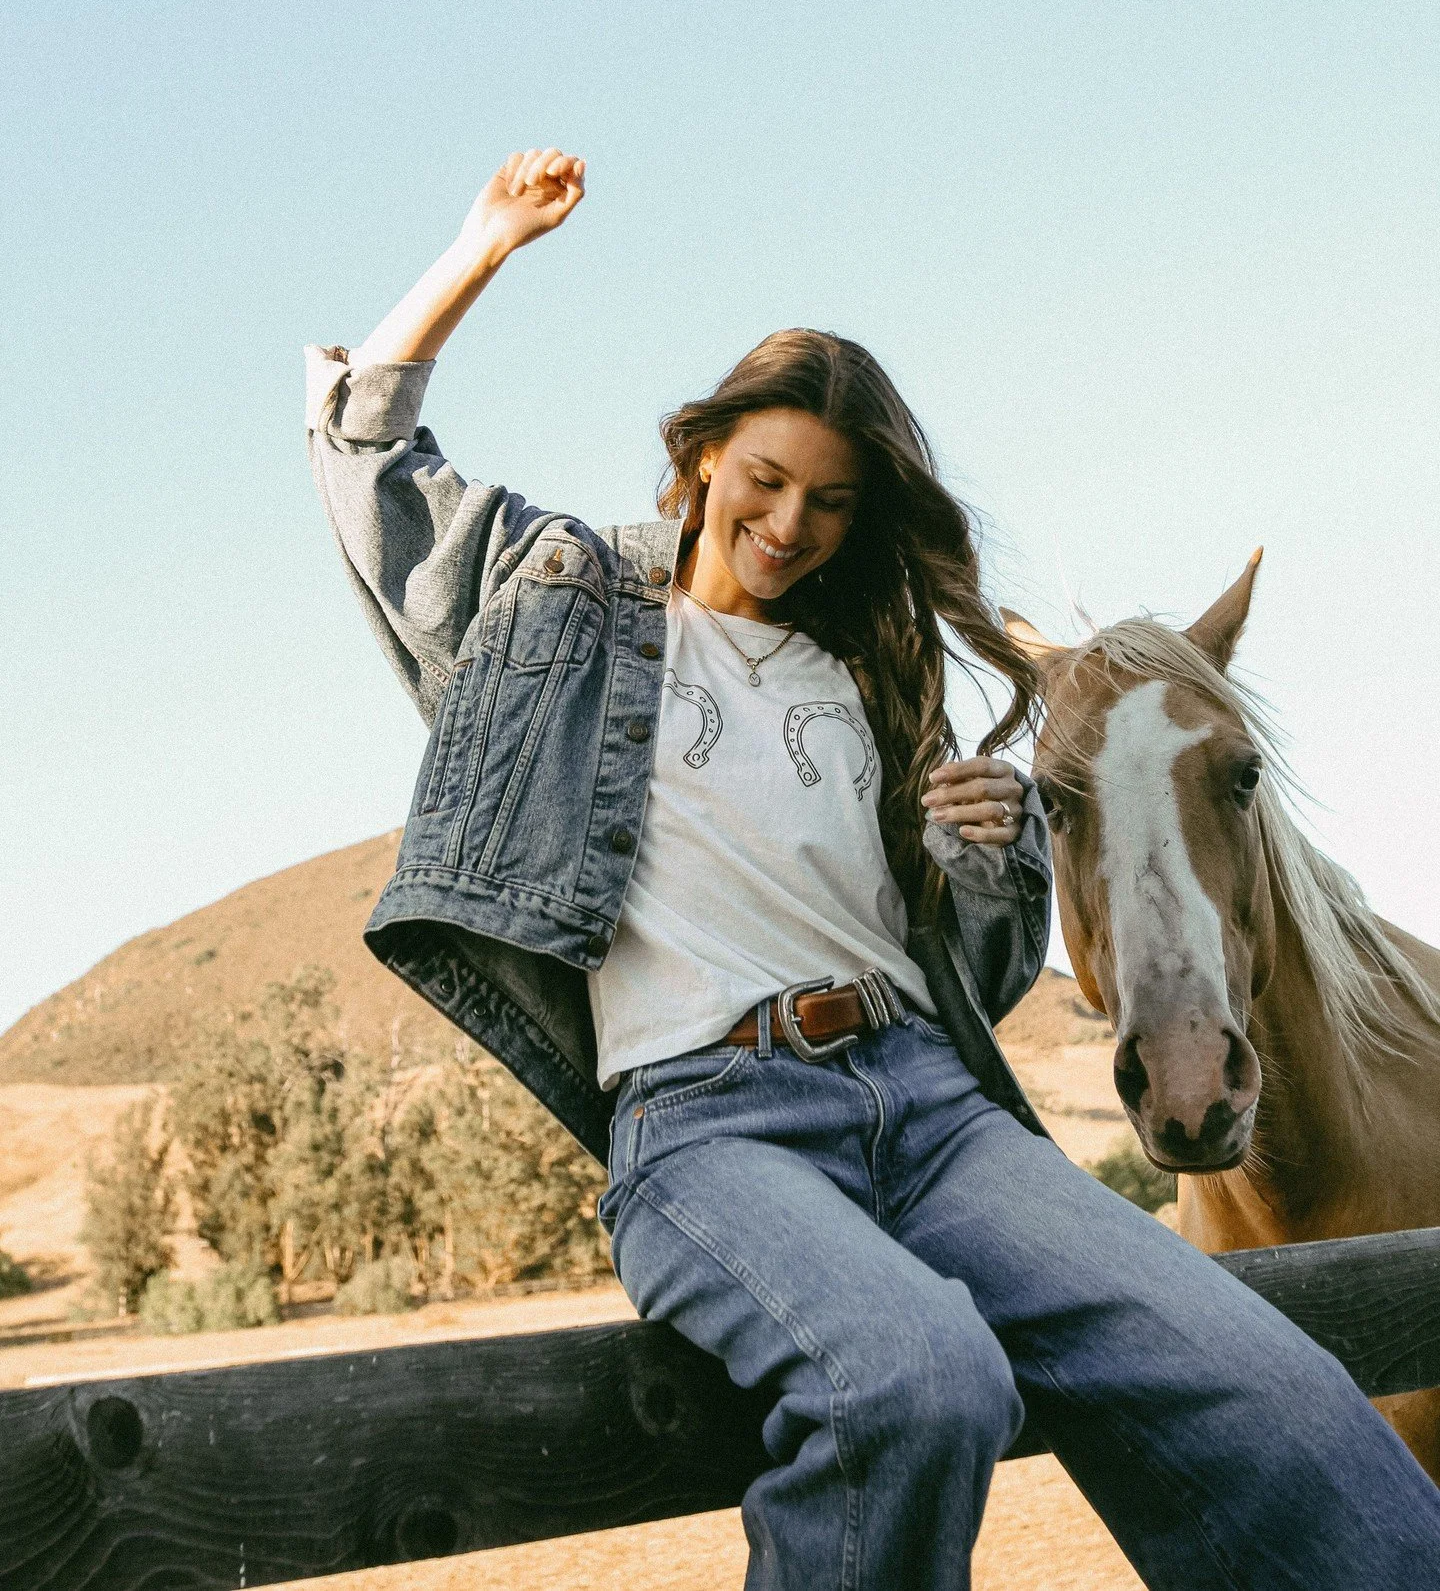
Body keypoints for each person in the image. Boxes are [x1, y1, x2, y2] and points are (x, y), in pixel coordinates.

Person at [306, 148, 1440, 1590]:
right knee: (917, 1381)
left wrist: (980, 859)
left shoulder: (879, 672)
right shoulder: (567, 598)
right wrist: (478, 250)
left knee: (1266, 1372)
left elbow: (979, 973)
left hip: (927, 1101)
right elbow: (365, 463)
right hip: (713, 1124)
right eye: (766, 479)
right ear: (707, 453)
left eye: (833, 503)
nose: (790, 526)